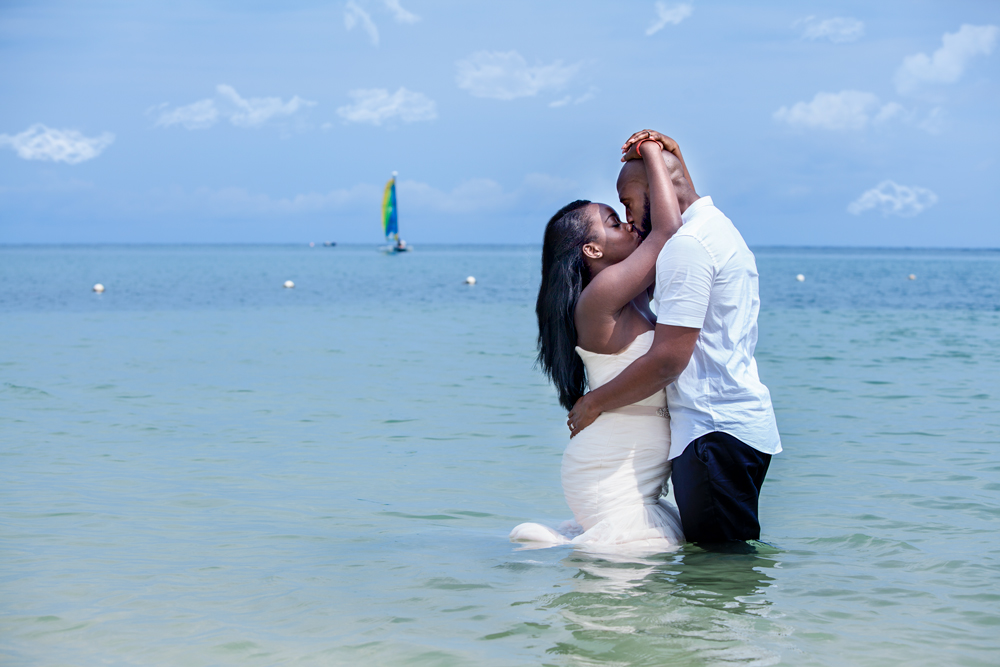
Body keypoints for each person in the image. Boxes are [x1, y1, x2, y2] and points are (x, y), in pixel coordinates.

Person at [567, 129, 782, 545]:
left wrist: (592, 401)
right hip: (733, 428)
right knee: (726, 570)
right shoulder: (718, 227)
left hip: (711, 434)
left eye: (628, 204)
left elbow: (667, 360)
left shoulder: (688, 246)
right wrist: (670, 156)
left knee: (719, 576)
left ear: (657, 187)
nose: (629, 219)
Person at [510, 136, 689, 551]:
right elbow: (666, 231)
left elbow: (656, 229)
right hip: (609, 473)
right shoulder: (602, 294)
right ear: (592, 249)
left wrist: (672, 159)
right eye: (613, 222)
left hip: (624, 471)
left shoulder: (625, 295)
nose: (627, 224)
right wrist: (648, 151)